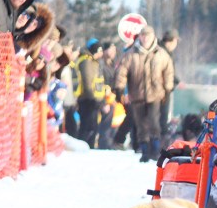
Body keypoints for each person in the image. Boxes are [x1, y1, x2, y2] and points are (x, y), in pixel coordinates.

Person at [115, 26, 174, 162]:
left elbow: (168, 71)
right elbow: (122, 72)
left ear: (153, 37)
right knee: (140, 124)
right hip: (137, 95)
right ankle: (145, 151)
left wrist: (168, 88)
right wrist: (119, 88)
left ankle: (155, 150)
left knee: (154, 122)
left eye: (148, 35)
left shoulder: (161, 53)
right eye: (143, 35)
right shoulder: (131, 54)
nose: (146, 38)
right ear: (140, 37)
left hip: (155, 94)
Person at [75, 38, 106, 147]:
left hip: (93, 99)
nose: (101, 54)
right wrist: (91, 98)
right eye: (99, 51)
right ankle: (85, 146)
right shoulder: (86, 61)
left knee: (92, 125)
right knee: (88, 126)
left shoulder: (92, 61)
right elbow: (87, 81)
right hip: (87, 99)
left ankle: (90, 146)